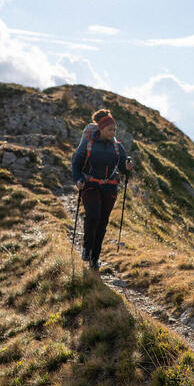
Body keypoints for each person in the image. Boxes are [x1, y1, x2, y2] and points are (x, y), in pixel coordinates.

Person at [71, 109, 132, 270]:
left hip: (110, 187)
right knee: (93, 216)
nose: (113, 133)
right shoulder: (88, 143)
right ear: (101, 129)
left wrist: (127, 167)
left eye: (114, 130)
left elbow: (124, 169)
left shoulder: (118, 147)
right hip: (90, 184)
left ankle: (94, 258)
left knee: (102, 222)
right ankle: (87, 247)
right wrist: (77, 179)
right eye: (109, 130)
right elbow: (76, 163)